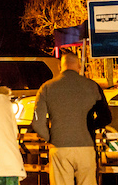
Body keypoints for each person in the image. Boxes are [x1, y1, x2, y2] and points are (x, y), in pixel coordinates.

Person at [31, 52, 112, 185]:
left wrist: (51, 138)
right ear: (79, 66)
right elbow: (106, 117)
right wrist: (89, 127)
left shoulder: (46, 88)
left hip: (60, 147)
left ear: (59, 66)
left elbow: (37, 123)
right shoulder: (92, 86)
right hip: (86, 147)